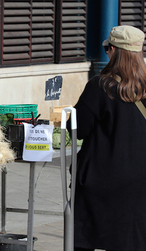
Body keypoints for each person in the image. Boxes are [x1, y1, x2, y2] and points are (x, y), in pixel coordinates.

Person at [67, 25, 146, 251]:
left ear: (113, 50)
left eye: (107, 48)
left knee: (85, 237)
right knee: (131, 240)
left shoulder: (101, 86)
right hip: (140, 182)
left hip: (102, 181)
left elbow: (78, 129)